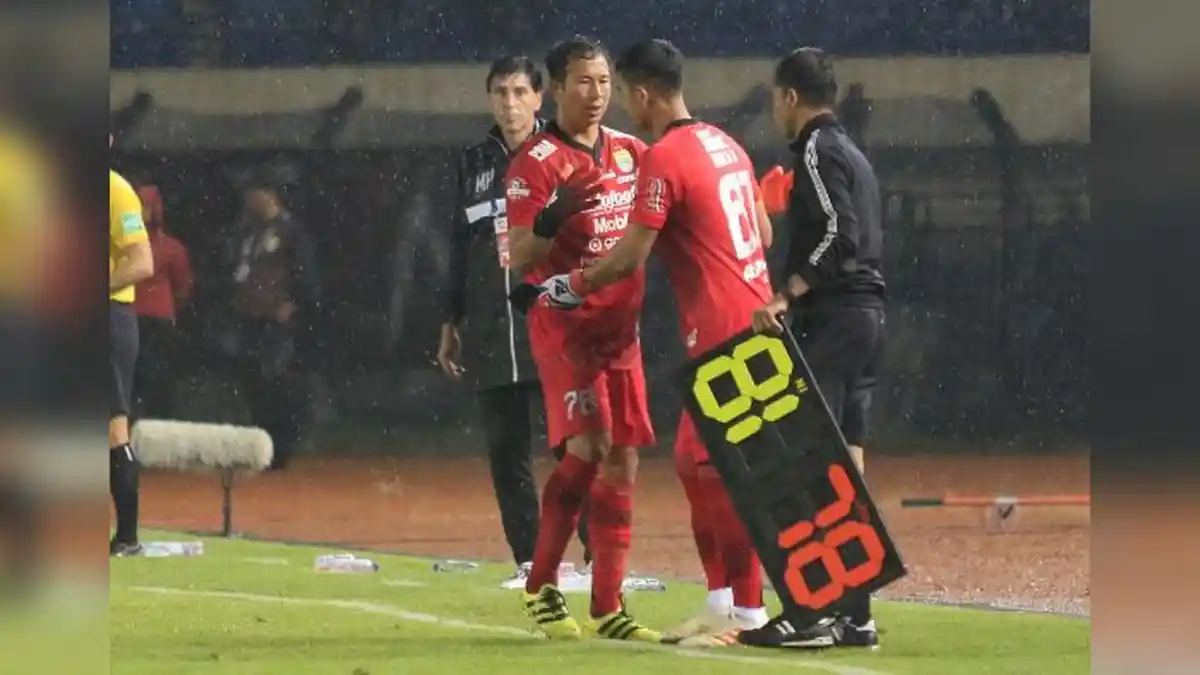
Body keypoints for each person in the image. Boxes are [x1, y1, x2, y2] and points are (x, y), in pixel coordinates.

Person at [533, 39, 774, 642]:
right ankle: (727, 602)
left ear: (642, 94)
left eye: (618, 90)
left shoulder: (661, 156)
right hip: (759, 317)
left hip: (722, 331)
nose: (616, 103)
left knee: (709, 466)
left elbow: (628, 257)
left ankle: (744, 609)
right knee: (702, 464)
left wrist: (570, 285)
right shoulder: (725, 142)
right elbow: (765, 232)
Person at [504, 35, 659, 643]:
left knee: (624, 459)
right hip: (566, 326)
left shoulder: (630, 151)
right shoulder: (535, 163)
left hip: (621, 331)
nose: (596, 94)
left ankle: (607, 606)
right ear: (557, 89)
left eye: (603, 82)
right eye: (583, 82)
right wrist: (551, 217)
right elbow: (520, 257)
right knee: (588, 448)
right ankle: (541, 585)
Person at [742, 47, 887, 649]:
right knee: (846, 466)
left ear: (789, 97)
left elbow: (840, 233)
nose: (775, 111)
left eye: (776, 100)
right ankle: (856, 615)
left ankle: (810, 613)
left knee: (805, 461)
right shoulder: (850, 150)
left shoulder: (816, 148)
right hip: (867, 318)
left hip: (834, 317)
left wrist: (787, 293)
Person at [437, 55, 592, 591]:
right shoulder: (473, 163)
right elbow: (459, 246)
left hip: (553, 322)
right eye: (500, 92)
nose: (509, 103)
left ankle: (600, 559)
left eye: (519, 92)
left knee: (573, 445)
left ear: (539, 98)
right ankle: (531, 563)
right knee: (507, 452)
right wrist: (451, 317)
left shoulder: (564, 153)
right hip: (489, 326)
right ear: (489, 99)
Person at [223, 178, 320, 471]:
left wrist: (293, 303)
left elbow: (305, 271)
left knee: (277, 381)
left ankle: (282, 446)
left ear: (270, 195)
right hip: (248, 316)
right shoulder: (247, 231)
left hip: (276, 319)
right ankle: (260, 446)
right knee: (252, 382)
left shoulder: (291, 231)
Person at [109, 135, 155, 557]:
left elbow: (142, 262)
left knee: (112, 428)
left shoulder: (115, 189)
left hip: (107, 317)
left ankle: (127, 537)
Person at [132, 182, 194, 421]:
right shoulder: (171, 248)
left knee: (147, 378)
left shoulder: (169, 248)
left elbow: (182, 286)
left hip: (145, 319)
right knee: (152, 378)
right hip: (148, 318)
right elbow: (182, 288)